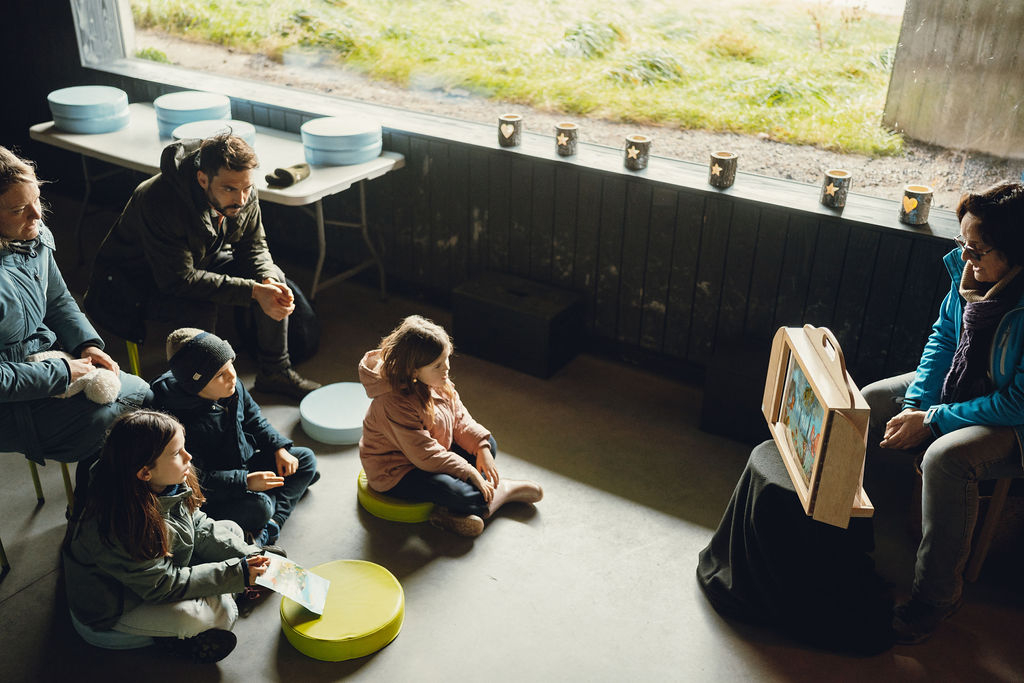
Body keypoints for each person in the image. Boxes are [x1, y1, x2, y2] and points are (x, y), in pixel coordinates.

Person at [863, 181, 1024, 644]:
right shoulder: (969, 274)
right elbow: (943, 340)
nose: (967, 258)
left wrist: (932, 420)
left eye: (978, 249)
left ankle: (935, 598)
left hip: (1014, 419)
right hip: (965, 388)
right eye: (963, 243)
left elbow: (1015, 402)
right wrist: (916, 404)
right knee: (871, 400)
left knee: (946, 459)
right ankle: (839, 531)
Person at [85, 133, 319, 399]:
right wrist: (254, 292)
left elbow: (253, 245)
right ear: (202, 179)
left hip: (198, 262)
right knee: (201, 305)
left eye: (247, 189)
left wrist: (265, 281)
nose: (242, 199)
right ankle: (204, 393)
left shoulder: (241, 189)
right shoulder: (158, 200)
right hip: (135, 283)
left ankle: (275, 371)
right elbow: (178, 280)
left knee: (275, 277)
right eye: (230, 189)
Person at [62, 410, 269, 663]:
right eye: (176, 453)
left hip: (156, 570)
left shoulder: (163, 481)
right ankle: (175, 638)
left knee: (232, 531)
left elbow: (198, 525)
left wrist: (252, 555)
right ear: (145, 472)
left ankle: (227, 587)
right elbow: (163, 585)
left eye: (183, 447)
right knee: (218, 617)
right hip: (118, 604)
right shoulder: (117, 525)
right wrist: (238, 574)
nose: (188, 457)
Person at [0, 145, 149, 491]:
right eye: (19, 209)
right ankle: (102, 517)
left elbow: (59, 301)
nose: (37, 215)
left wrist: (86, 344)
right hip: (10, 405)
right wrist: (62, 372)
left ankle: (113, 513)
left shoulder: (32, 238)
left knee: (142, 407)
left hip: (47, 365)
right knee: (133, 411)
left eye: (37, 198)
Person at [359, 315, 543, 537]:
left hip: (433, 451)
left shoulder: (436, 380)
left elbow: (460, 419)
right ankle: (501, 490)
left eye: (447, 358)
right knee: (464, 494)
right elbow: (424, 455)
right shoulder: (393, 403)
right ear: (414, 371)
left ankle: (456, 512)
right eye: (437, 365)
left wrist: (481, 449)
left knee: (488, 445)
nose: (446, 368)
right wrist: (468, 471)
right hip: (399, 470)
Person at [151, 328, 318, 546]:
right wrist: (245, 482)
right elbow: (195, 479)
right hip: (214, 491)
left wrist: (279, 449)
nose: (232, 375)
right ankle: (271, 513)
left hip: (245, 463)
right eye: (220, 374)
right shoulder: (177, 422)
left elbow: (254, 417)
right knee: (260, 507)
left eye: (231, 364)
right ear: (197, 384)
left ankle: (270, 527)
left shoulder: (232, 386)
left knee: (305, 459)